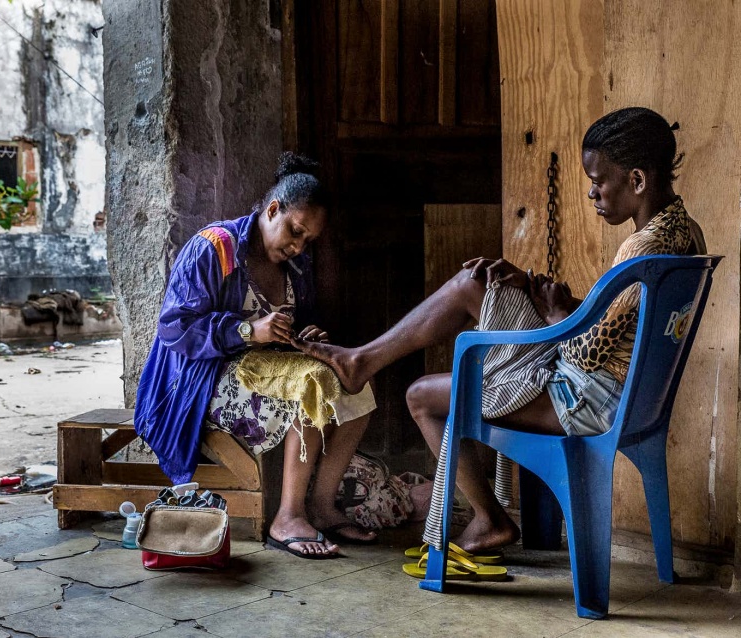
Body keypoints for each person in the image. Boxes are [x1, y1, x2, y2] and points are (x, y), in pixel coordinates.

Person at [293, 107, 706, 553]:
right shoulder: (686, 233)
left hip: (587, 398)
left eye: (599, 180)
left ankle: (491, 519)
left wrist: (552, 315)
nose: (592, 192)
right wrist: (537, 290)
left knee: (421, 398)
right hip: (626, 395)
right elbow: (624, 321)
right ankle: (361, 360)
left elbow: (587, 353)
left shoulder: (640, 250)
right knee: (477, 282)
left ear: (638, 180)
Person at [135, 152, 378, 559]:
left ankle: (321, 504)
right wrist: (248, 330)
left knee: (359, 387)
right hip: (198, 380)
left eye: (308, 240)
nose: (299, 246)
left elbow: (284, 338)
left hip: (258, 372)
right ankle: (287, 516)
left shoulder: (295, 267)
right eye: (295, 231)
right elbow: (174, 329)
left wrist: (302, 335)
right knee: (310, 385)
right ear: (272, 209)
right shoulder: (214, 248)